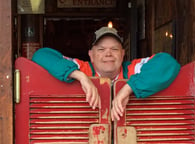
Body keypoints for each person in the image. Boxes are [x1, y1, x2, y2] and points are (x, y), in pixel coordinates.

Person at [32, 26, 180, 121]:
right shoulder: (81, 68)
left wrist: (128, 88)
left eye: (114, 49)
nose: (108, 54)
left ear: (123, 54)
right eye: (101, 50)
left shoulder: (133, 69)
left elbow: (167, 63)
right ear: (91, 54)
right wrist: (81, 77)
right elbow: (41, 56)